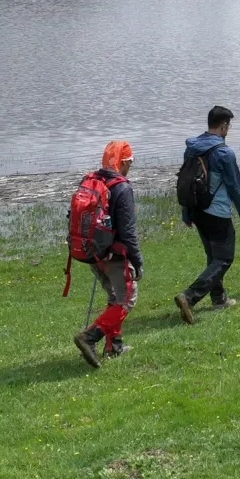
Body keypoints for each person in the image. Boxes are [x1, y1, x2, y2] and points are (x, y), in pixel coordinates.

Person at [175, 107, 240, 323]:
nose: (229, 129)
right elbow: (235, 187)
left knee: (214, 257)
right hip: (216, 212)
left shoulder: (191, 148)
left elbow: (186, 181)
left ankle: (219, 299)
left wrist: (186, 213)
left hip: (197, 210)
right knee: (224, 258)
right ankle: (189, 296)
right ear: (224, 125)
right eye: (229, 125)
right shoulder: (224, 153)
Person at [73, 141, 144, 366]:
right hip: (114, 256)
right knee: (126, 299)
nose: (130, 166)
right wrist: (137, 261)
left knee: (115, 298)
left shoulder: (92, 180)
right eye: (130, 162)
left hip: (93, 252)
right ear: (122, 162)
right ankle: (89, 337)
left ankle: (114, 347)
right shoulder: (122, 189)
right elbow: (128, 232)